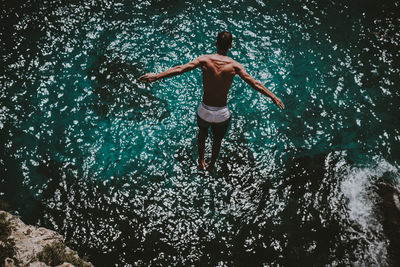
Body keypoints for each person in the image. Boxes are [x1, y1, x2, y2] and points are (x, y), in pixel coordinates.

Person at [139, 31, 284, 173]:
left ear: (216, 43)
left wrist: (157, 76)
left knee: (202, 134)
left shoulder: (205, 60)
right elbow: (255, 84)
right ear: (230, 46)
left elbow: (180, 69)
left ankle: (201, 161)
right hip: (221, 113)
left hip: (204, 110)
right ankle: (211, 165)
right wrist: (273, 97)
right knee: (217, 141)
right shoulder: (235, 66)